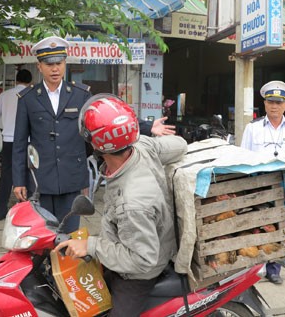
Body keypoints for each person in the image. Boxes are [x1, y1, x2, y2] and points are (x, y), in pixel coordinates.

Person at [12, 36, 176, 233]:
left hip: (72, 177)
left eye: (59, 63)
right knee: (42, 235)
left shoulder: (80, 94)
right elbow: (19, 144)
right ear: (39, 67)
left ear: (65, 63)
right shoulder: (28, 98)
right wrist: (19, 181)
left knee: (70, 237)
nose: (55, 69)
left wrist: (148, 127)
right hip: (40, 180)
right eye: (49, 64)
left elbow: (107, 115)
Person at [54, 94, 188, 316]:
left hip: (137, 275)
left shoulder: (132, 204)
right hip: (139, 240)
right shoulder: (142, 146)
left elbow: (142, 260)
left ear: (98, 146)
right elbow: (180, 145)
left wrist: (91, 246)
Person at [241, 80, 285, 285]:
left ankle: (273, 269)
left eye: (279, 103)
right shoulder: (252, 128)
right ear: (264, 103)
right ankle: (255, 267)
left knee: (281, 225)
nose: (274, 106)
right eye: (270, 101)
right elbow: (244, 158)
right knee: (258, 222)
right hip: (259, 182)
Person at [0, 69, 33, 220]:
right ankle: (25, 211)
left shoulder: (4, 95)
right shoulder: (32, 95)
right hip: (27, 141)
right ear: (30, 82)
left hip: (9, 140)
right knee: (27, 176)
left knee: (7, 176)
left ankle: (0, 211)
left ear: (15, 81)